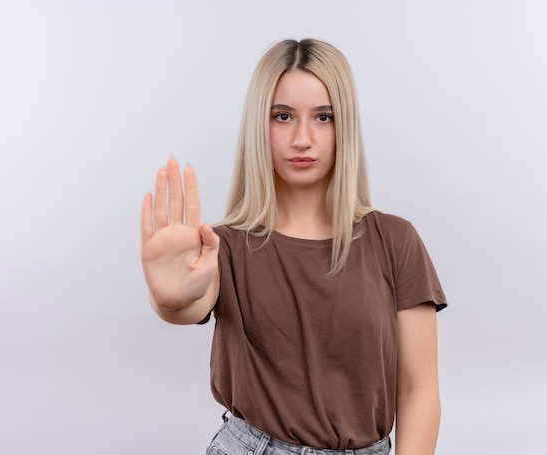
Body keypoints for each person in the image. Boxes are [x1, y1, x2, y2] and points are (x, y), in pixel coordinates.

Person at [140, 38, 447, 455]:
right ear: (258, 126)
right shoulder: (223, 247)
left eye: (323, 117)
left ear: (346, 127)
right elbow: (188, 304)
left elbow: (418, 389)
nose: (302, 138)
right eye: (282, 116)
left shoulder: (395, 241)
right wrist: (169, 299)